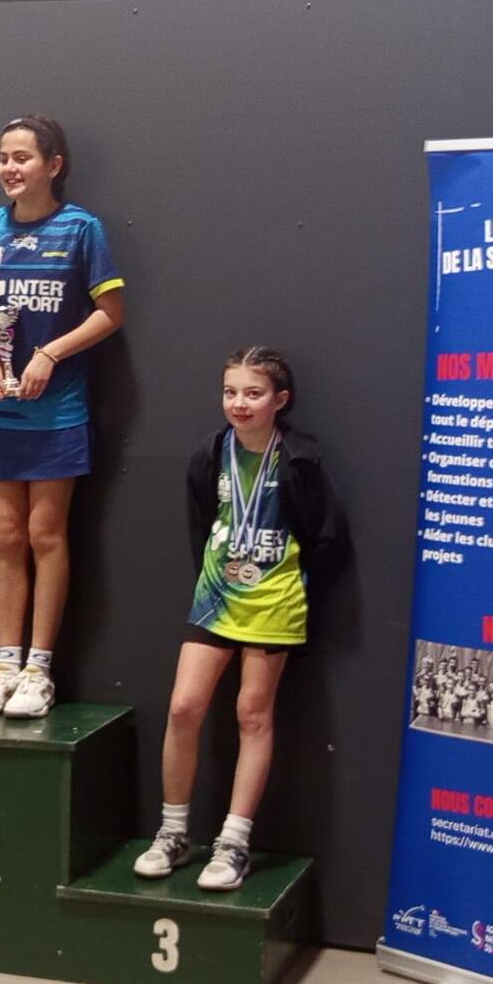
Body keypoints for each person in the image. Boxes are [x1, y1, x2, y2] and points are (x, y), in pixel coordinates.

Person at [133, 347, 343, 891]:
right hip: (216, 596)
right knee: (184, 707)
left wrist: (295, 585)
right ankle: (173, 833)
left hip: (274, 600)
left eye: (253, 393)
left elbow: (326, 537)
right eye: (230, 392)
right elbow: (201, 526)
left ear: (280, 399)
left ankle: (234, 843)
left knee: (253, 714)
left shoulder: (300, 458)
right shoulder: (209, 453)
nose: (239, 403)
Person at [0, 113, 125, 719]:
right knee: (5, 534)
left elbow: (110, 312)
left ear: (53, 165)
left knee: (45, 534)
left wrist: (50, 354)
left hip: (58, 407)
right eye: (3, 157)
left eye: (22, 157)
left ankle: (39, 669)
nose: (10, 168)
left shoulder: (81, 228)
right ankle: (4, 664)